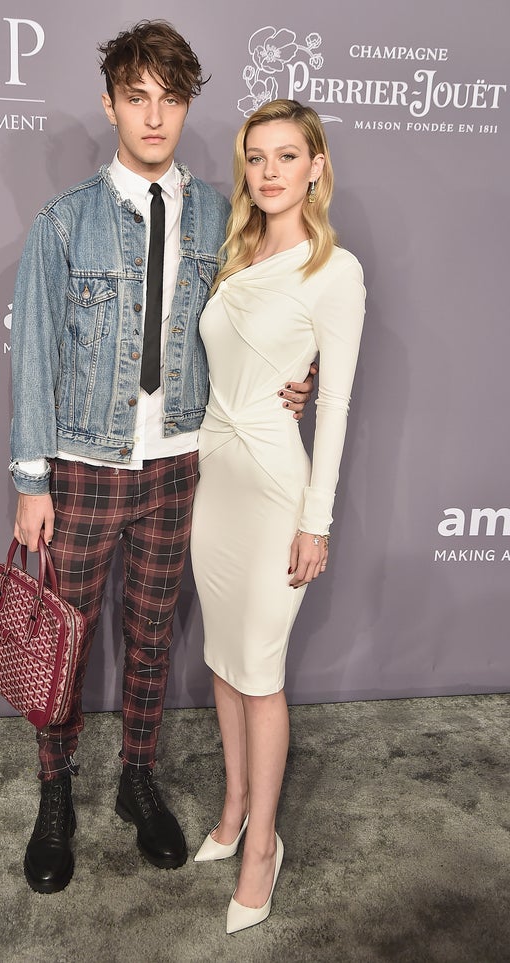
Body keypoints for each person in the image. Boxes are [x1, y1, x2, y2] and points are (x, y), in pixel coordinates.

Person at [9, 23, 314, 894]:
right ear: (110, 104)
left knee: (149, 637)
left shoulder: (223, 214)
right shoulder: (64, 222)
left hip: (182, 464)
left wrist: (299, 372)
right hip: (82, 467)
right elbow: (32, 353)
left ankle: (135, 776)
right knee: (62, 645)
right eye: (136, 96)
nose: (153, 115)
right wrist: (31, 477)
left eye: (170, 98)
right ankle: (54, 790)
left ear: (186, 107)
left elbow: (268, 310)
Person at [190, 99, 366, 933]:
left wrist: (316, 521)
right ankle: (231, 807)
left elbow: (332, 406)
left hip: (272, 488)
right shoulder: (235, 252)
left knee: (260, 669)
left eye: (286, 157)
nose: (267, 172)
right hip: (214, 477)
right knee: (224, 661)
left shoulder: (336, 271)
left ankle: (264, 844)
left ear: (316, 167)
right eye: (256, 157)